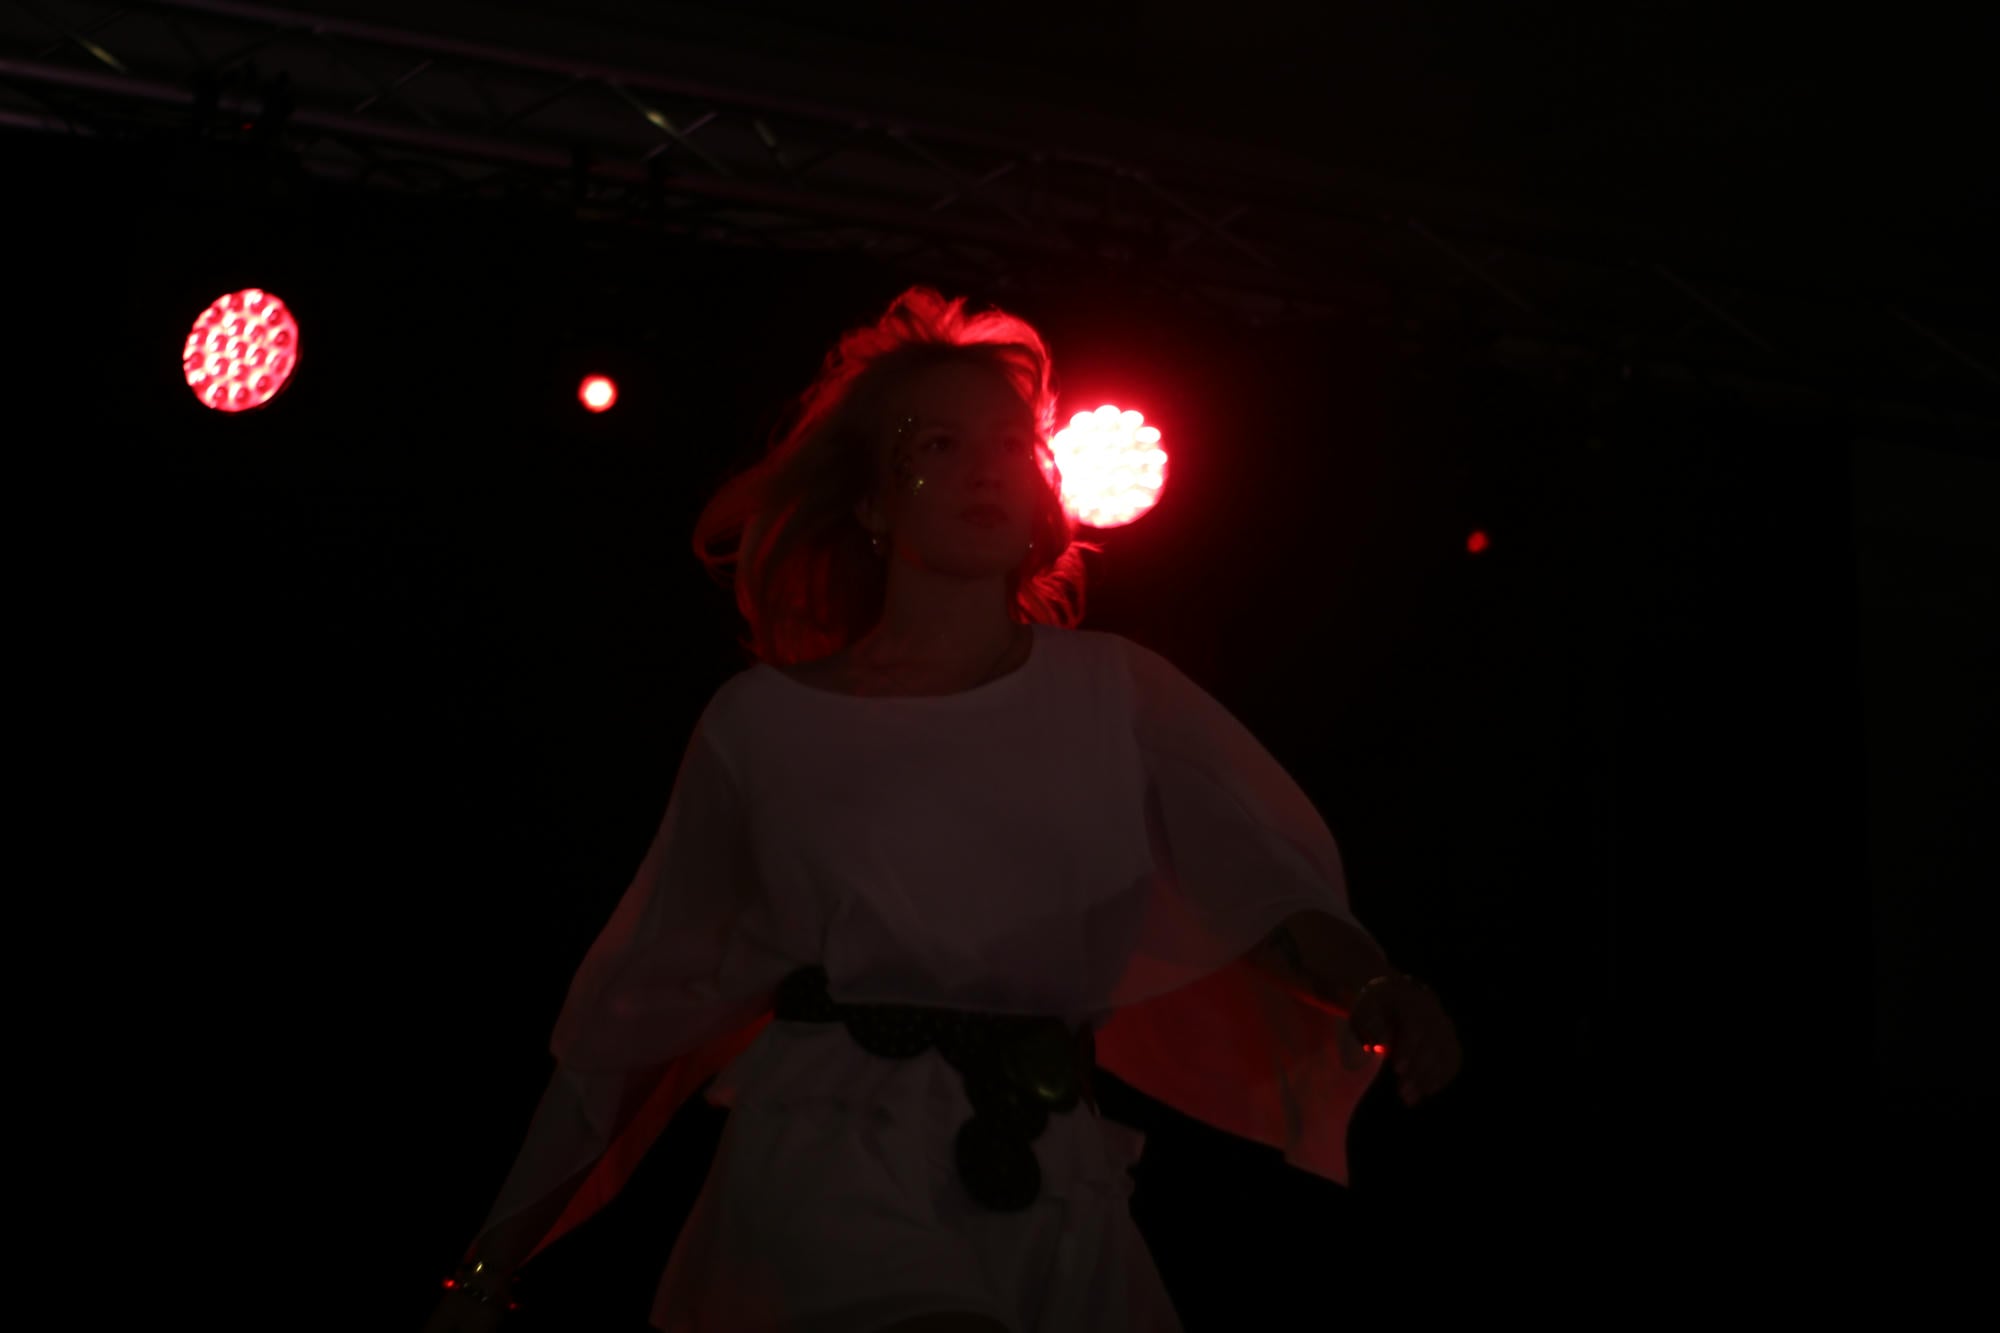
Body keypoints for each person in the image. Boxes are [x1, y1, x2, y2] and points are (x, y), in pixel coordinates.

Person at [422, 287, 1463, 1333]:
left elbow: (1261, 889)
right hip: (832, 1163)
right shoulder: (764, 725)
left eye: (1010, 443)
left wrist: (1374, 981)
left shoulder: (1115, 693)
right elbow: (645, 1003)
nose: (984, 467)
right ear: (872, 503)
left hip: (1054, 1175)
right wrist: (491, 1259)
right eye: (937, 443)